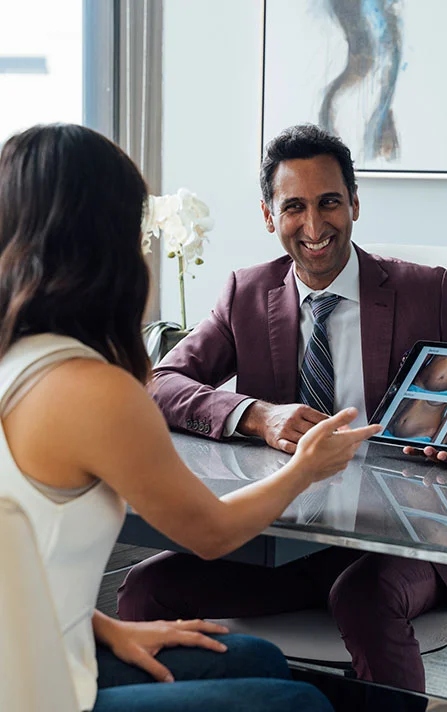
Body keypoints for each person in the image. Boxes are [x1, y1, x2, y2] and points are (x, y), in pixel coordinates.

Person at [118, 124, 447, 694]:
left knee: (361, 596)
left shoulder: (429, 292)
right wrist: (258, 414)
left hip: (409, 542)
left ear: (355, 204)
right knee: (145, 589)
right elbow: (161, 382)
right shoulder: (246, 293)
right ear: (269, 216)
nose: (314, 227)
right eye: (294, 207)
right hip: (293, 543)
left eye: (329, 202)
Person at [0, 124, 383, 712]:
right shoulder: (96, 389)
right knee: (300, 702)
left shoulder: (17, 358)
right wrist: (303, 462)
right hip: (36, 690)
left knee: (259, 659)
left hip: (37, 644)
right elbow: (211, 534)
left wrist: (98, 626)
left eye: (329, 201)